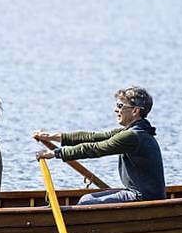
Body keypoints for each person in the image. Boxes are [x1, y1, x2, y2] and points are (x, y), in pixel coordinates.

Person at [33, 86, 165, 205]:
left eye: (120, 106)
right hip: (142, 194)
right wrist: (50, 137)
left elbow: (95, 148)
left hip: (143, 198)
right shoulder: (133, 131)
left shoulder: (133, 136)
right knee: (86, 199)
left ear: (135, 110)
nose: (116, 110)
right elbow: (92, 137)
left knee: (87, 201)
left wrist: (55, 153)